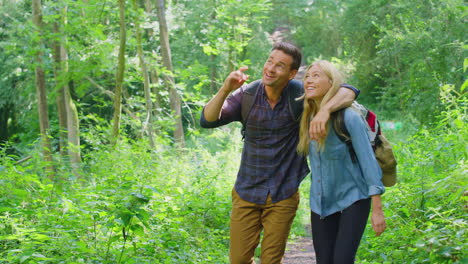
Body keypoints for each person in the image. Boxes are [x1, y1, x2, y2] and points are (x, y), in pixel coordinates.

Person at [200, 42, 358, 264]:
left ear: (292, 73)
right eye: (269, 61)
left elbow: (349, 90)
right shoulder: (248, 95)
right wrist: (226, 88)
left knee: (271, 260)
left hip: (283, 193)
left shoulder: (300, 95)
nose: (271, 69)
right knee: (237, 260)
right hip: (247, 191)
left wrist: (324, 110)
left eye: (280, 66)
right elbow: (207, 120)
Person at [296, 60, 386, 264]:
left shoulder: (348, 118)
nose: (309, 80)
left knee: (343, 260)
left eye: (316, 75)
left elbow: (368, 163)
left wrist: (377, 210)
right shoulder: (306, 117)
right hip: (321, 204)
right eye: (307, 76)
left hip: (353, 199)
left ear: (331, 82)